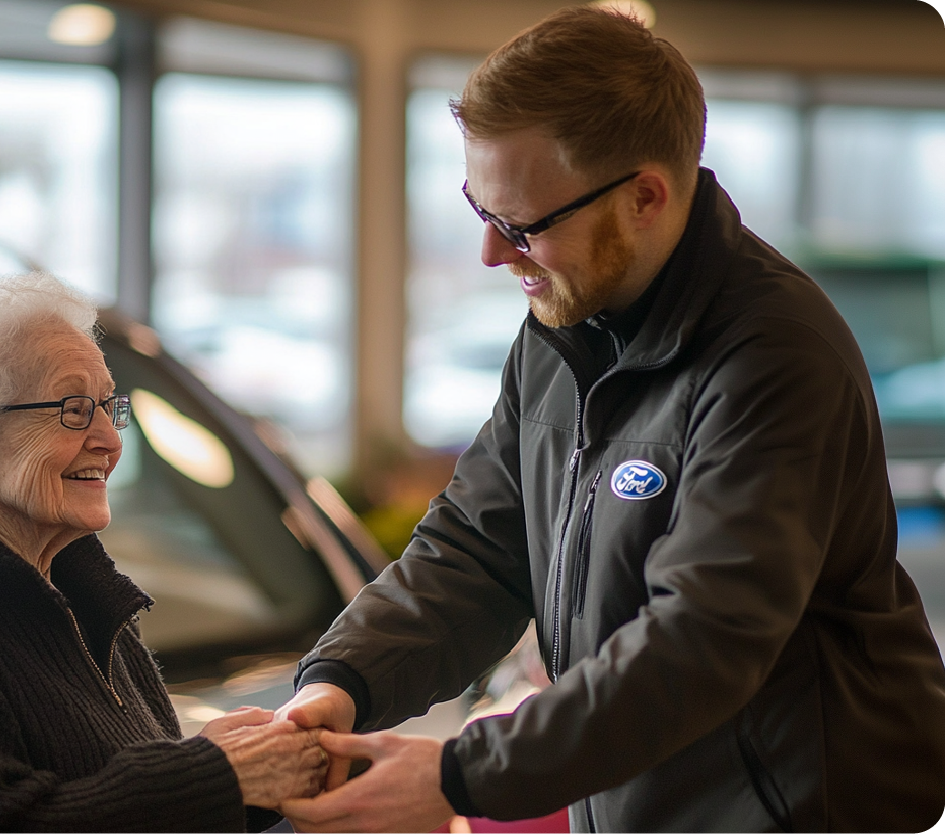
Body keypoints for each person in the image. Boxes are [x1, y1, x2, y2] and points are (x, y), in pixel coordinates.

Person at [277, 7, 945, 834]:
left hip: (792, 809)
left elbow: (703, 638)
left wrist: (460, 777)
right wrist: (341, 682)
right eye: (476, 208)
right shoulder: (564, 323)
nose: (491, 253)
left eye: (520, 225)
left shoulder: (774, 357)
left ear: (645, 197)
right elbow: (479, 550)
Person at [0, 272, 325, 833]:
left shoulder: (72, 583)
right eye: (74, 409)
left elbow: (113, 800)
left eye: (106, 407)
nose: (110, 439)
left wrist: (261, 773)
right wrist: (216, 775)